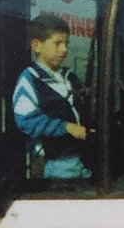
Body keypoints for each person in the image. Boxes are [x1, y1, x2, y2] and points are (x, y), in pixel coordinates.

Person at [13, 13, 91, 179]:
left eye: (66, 44)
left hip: (84, 157)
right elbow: (26, 120)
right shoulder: (29, 80)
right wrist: (66, 127)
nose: (64, 49)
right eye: (57, 43)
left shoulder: (71, 77)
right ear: (36, 45)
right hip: (58, 161)